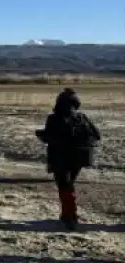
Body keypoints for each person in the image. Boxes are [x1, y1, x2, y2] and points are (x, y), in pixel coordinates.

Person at [35, 88, 101, 230]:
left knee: (64, 186)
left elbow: (49, 137)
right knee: (68, 185)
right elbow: (97, 135)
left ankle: (70, 216)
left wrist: (42, 135)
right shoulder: (82, 117)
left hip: (60, 157)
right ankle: (69, 214)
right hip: (80, 158)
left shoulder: (53, 118)